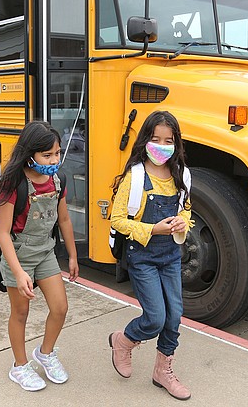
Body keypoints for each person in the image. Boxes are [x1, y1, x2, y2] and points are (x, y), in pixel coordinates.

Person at [108, 110, 192, 400]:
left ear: (176, 143)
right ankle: (124, 340)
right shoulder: (136, 176)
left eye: (168, 140)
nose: (161, 145)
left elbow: (186, 210)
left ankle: (163, 371)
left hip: (171, 255)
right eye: (155, 139)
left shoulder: (182, 175)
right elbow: (117, 220)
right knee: (155, 318)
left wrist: (183, 222)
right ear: (145, 141)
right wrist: (152, 229)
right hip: (142, 256)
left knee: (174, 317)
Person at [0, 120, 78, 392]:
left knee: (60, 307)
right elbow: (3, 233)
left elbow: (63, 219)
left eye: (57, 153)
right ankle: (19, 366)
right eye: (47, 155)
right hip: (18, 254)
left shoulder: (58, 179)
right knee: (20, 312)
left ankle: (45, 352)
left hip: (45, 251)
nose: (54, 160)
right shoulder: (13, 183)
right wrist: (18, 273)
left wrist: (73, 256)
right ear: (30, 153)